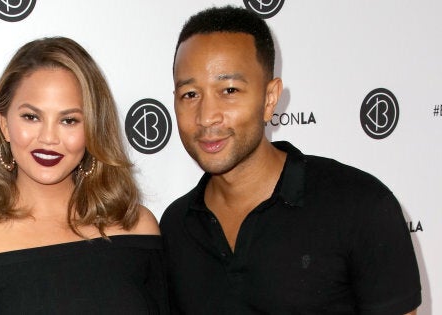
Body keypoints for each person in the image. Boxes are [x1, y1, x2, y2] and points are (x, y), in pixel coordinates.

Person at [160, 6, 421, 315]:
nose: (206, 117)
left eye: (229, 90)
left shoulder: (361, 206)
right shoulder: (176, 227)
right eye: (190, 95)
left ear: (270, 99)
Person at [0, 36, 168, 314]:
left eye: (69, 120)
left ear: (93, 129)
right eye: (31, 117)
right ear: (4, 124)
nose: (48, 138)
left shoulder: (137, 227)